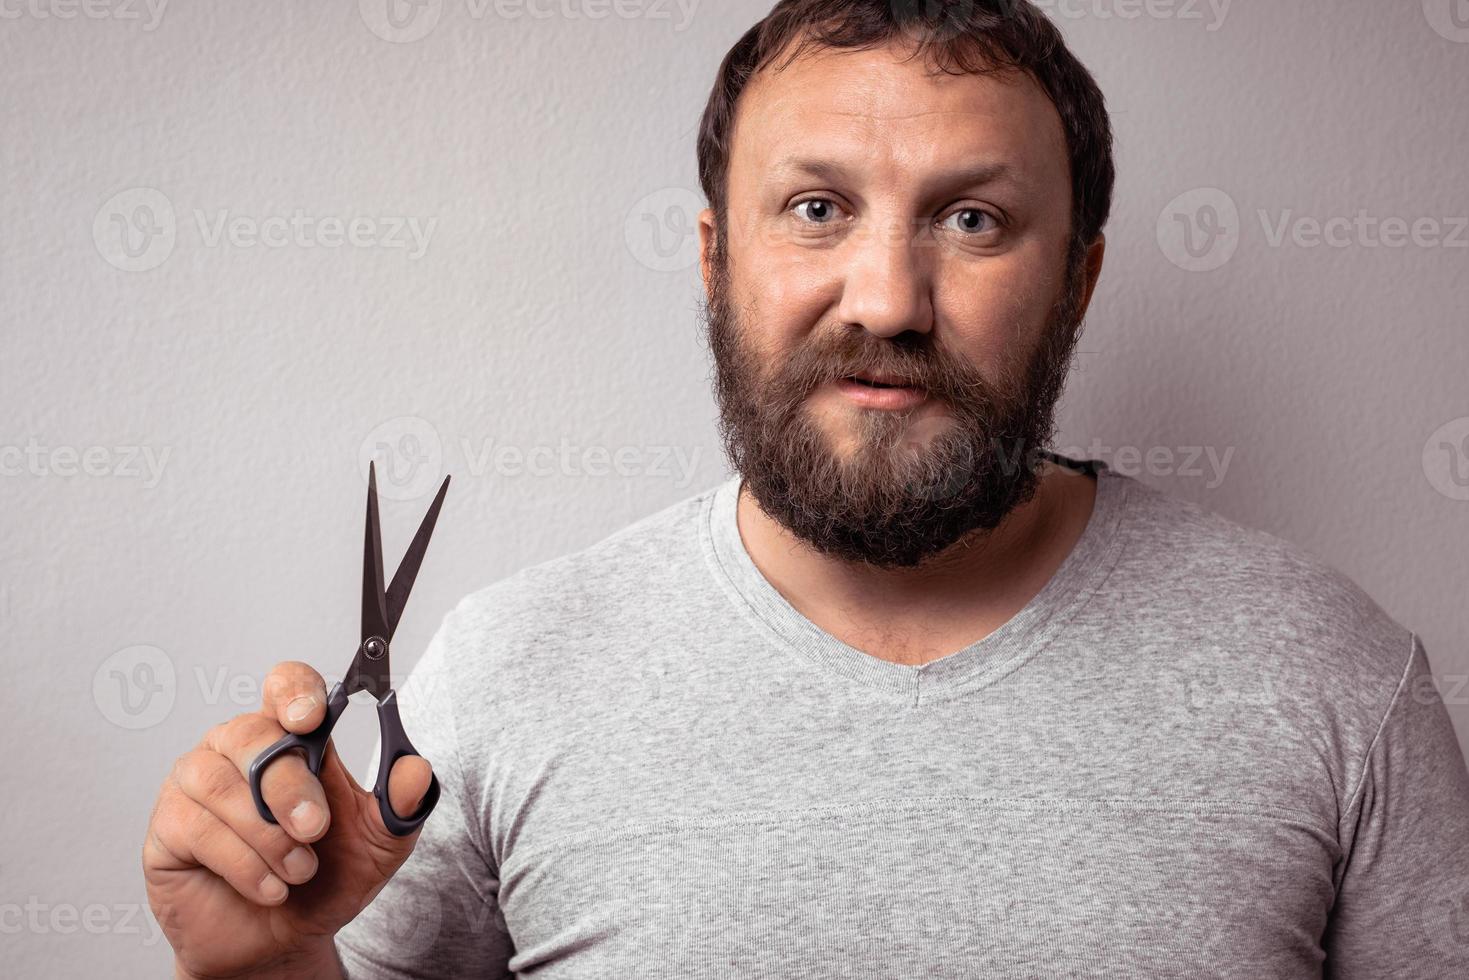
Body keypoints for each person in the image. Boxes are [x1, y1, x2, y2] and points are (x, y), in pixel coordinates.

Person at [144, 2, 1469, 977]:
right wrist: (265, 973)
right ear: (714, 257)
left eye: (973, 221)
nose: (886, 302)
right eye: (817, 210)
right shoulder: (501, 676)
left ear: (1078, 277)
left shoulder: (1335, 681)